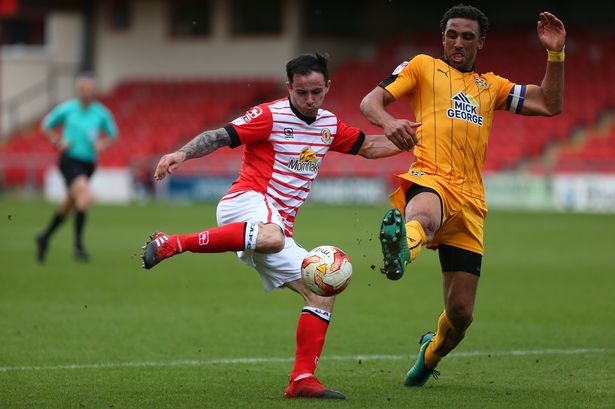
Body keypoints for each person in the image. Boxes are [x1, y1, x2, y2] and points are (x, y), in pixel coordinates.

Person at [140, 53, 403, 399]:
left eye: (316, 92)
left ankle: (302, 379)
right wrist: (181, 154)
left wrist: (419, 142)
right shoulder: (270, 115)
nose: (309, 100)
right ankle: (174, 242)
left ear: (327, 87)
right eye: (302, 93)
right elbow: (220, 136)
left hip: (276, 228)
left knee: (321, 288)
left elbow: (368, 146)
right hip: (246, 202)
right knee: (271, 236)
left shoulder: (328, 125)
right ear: (289, 88)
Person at [360, 5, 565, 386]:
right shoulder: (422, 67)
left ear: (480, 42)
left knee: (461, 314)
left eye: (467, 36)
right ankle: (400, 251)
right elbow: (370, 102)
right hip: (431, 177)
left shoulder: (492, 87)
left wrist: (555, 54)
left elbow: (550, 104)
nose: (458, 42)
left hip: (471, 202)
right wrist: (389, 122)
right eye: (452, 34)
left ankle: (429, 353)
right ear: (442, 37)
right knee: (423, 217)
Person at [35, 73, 119, 262]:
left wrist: (102, 144)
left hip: (88, 164)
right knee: (84, 194)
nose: (87, 92)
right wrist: (57, 141)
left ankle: (44, 237)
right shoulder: (67, 109)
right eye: (83, 89)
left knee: (68, 205)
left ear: (94, 91)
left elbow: (113, 134)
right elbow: (45, 126)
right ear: (78, 90)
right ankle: (78, 246)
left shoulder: (100, 112)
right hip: (70, 160)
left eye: (90, 89)